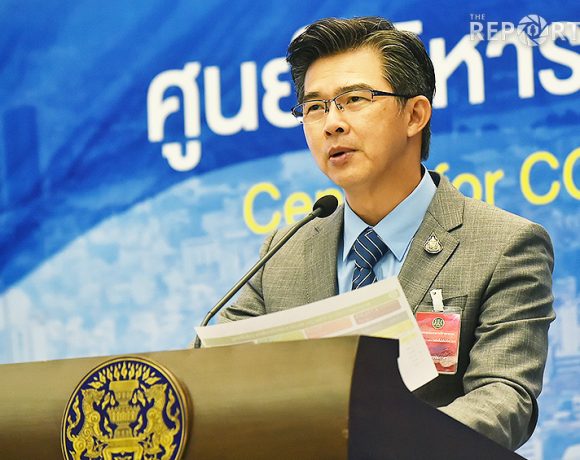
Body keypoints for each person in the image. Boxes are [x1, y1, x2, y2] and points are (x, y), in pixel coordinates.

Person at [219, 16, 554, 451]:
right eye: (315, 107)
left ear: (415, 115)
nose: (332, 123)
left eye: (354, 99)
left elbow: (504, 398)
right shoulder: (282, 253)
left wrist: (381, 446)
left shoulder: (504, 245)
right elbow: (216, 374)